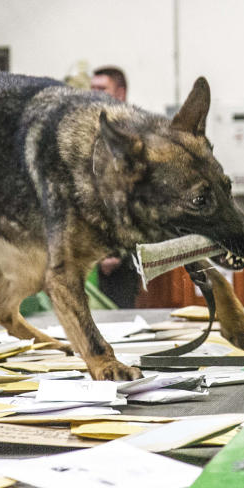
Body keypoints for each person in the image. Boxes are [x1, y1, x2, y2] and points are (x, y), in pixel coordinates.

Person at [89, 66, 140, 309]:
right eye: (92, 89)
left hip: (121, 255)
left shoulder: (133, 135)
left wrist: (117, 251)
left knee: (119, 318)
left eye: (101, 89)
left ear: (120, 93)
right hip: (90, 249)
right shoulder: (91, 132)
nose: (94, 94)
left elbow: (133, 196)